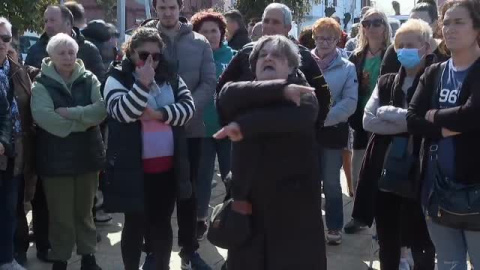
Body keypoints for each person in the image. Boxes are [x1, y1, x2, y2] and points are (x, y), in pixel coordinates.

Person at [216, 34, 326, 270]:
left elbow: (281, 119)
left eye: (277, 55)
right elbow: (225, 95)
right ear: (254, 65)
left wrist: (242, 125)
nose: (268, 58)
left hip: (292, 210)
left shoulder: (305, 95)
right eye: (263, 55)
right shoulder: (243, 92)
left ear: (291, 66)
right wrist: (280, 90)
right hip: (249, 204)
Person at [102, 27, 194, 270]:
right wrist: (142, 84)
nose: (151, 61)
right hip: (133, 168)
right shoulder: (116, 78)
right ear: (130, 53)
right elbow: (123, 112)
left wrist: (158, 113)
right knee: (134, 224)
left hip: (166, 168)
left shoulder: (171, 77)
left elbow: (187, 109)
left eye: (156, 56)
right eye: (144, 56)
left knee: (162, 224)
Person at [355, 19, 436, 270]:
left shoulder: (436, 80)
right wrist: (412, 122)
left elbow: (433, 123)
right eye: (400, 45)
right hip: (385, 172)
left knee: (422, 241)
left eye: (410, 45)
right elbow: (368, 121)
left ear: (426, 47)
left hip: (422, 174)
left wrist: (394, 116)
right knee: (388, 238)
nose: (403, 50)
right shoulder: (387, 81)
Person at [407, 0, 480, 269]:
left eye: (459, 22)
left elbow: (474, 115)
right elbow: (412, 120)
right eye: (446, 22)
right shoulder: (434, 72)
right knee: (448, 263)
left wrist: (435, 116)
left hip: (475, 194)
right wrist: (449, 127)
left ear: (477, 28)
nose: (449, 28)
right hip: (434, 192)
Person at [144, 0, 216, 268]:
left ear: (180, 7)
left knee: (189, 193)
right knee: (155, 193)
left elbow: (209, 82)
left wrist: (184, 110)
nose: (167, 12)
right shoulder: (144, 39)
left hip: (191, 129)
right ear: (155, 9)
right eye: (162, 7)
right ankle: (152, 250)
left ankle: (189, 250)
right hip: (153, 132)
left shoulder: (199, 43)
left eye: (172, 7)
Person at [30, 33, 106, 270]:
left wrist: (71, 114)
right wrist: (84, 121)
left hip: (87, 156)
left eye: (71, 52)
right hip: (55, 159)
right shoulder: (41, 83)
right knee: (60, 214)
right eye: (61, 53)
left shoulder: (89, 78)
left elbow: (102, 110)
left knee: (85, 211)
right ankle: (61, 257)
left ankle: (88, 256)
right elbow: (45, 118)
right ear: (51, 56)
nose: (67, 57)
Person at [218, 3, 331, 132]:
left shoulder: (303, 55)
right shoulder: (246, 52)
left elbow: (323, 95)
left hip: (289, 135)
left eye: (275, 22)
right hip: (249, 135)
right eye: (266, 21)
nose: (269, 26)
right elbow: (222, 87)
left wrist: (313, 129)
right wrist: (230, 122)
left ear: (287, 27)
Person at [311, 17, 358, 245]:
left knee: (330, 182)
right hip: (306, 132)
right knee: (308, 181)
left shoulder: (347, 67)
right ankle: (307, 225)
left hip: (332, 131)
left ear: (337, 39)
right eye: (320, 37)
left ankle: (334, 226)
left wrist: (322, 119)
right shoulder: (304, 61)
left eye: (329, 38)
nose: (324, 42)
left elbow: (349, 101)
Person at [344, 8, 391, 234]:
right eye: (366, 23)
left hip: (384, 122)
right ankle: (358, 216)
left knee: (383, 173)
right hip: (360, 123)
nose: (371, 27)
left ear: (385, 27)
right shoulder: (356, 56)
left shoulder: (392, 54)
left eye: (376, 22)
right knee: (358, 171)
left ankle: (383, 219)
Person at [190, 10, 235, 241]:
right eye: (204, 32)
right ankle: (200, 219)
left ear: (222, 32)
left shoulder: (235, 56)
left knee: (232, 175)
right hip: (202, 128)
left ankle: (231, 218)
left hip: (229, 128)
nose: (209, 35)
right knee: (202, 176)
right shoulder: (193, 57)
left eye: (214, 31)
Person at [0, 17, 35, 270]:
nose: (1, 43)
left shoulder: (15, 68)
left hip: (15, 153)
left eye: (4, 38)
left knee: (10, 210)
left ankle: (7, 258)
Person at [25, 5, 105, 82]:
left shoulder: (88, 49)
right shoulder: (35, 50)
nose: (48, 25)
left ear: (68, 23)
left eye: (52, 20)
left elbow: (100, 83)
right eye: (46, 21)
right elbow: (26, 82)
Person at [381, 1, 450, 75]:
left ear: (435, 24)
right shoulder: (395, 50)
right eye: (410, 24)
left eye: (420, 25)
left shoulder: (446, 51)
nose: (413, 29)